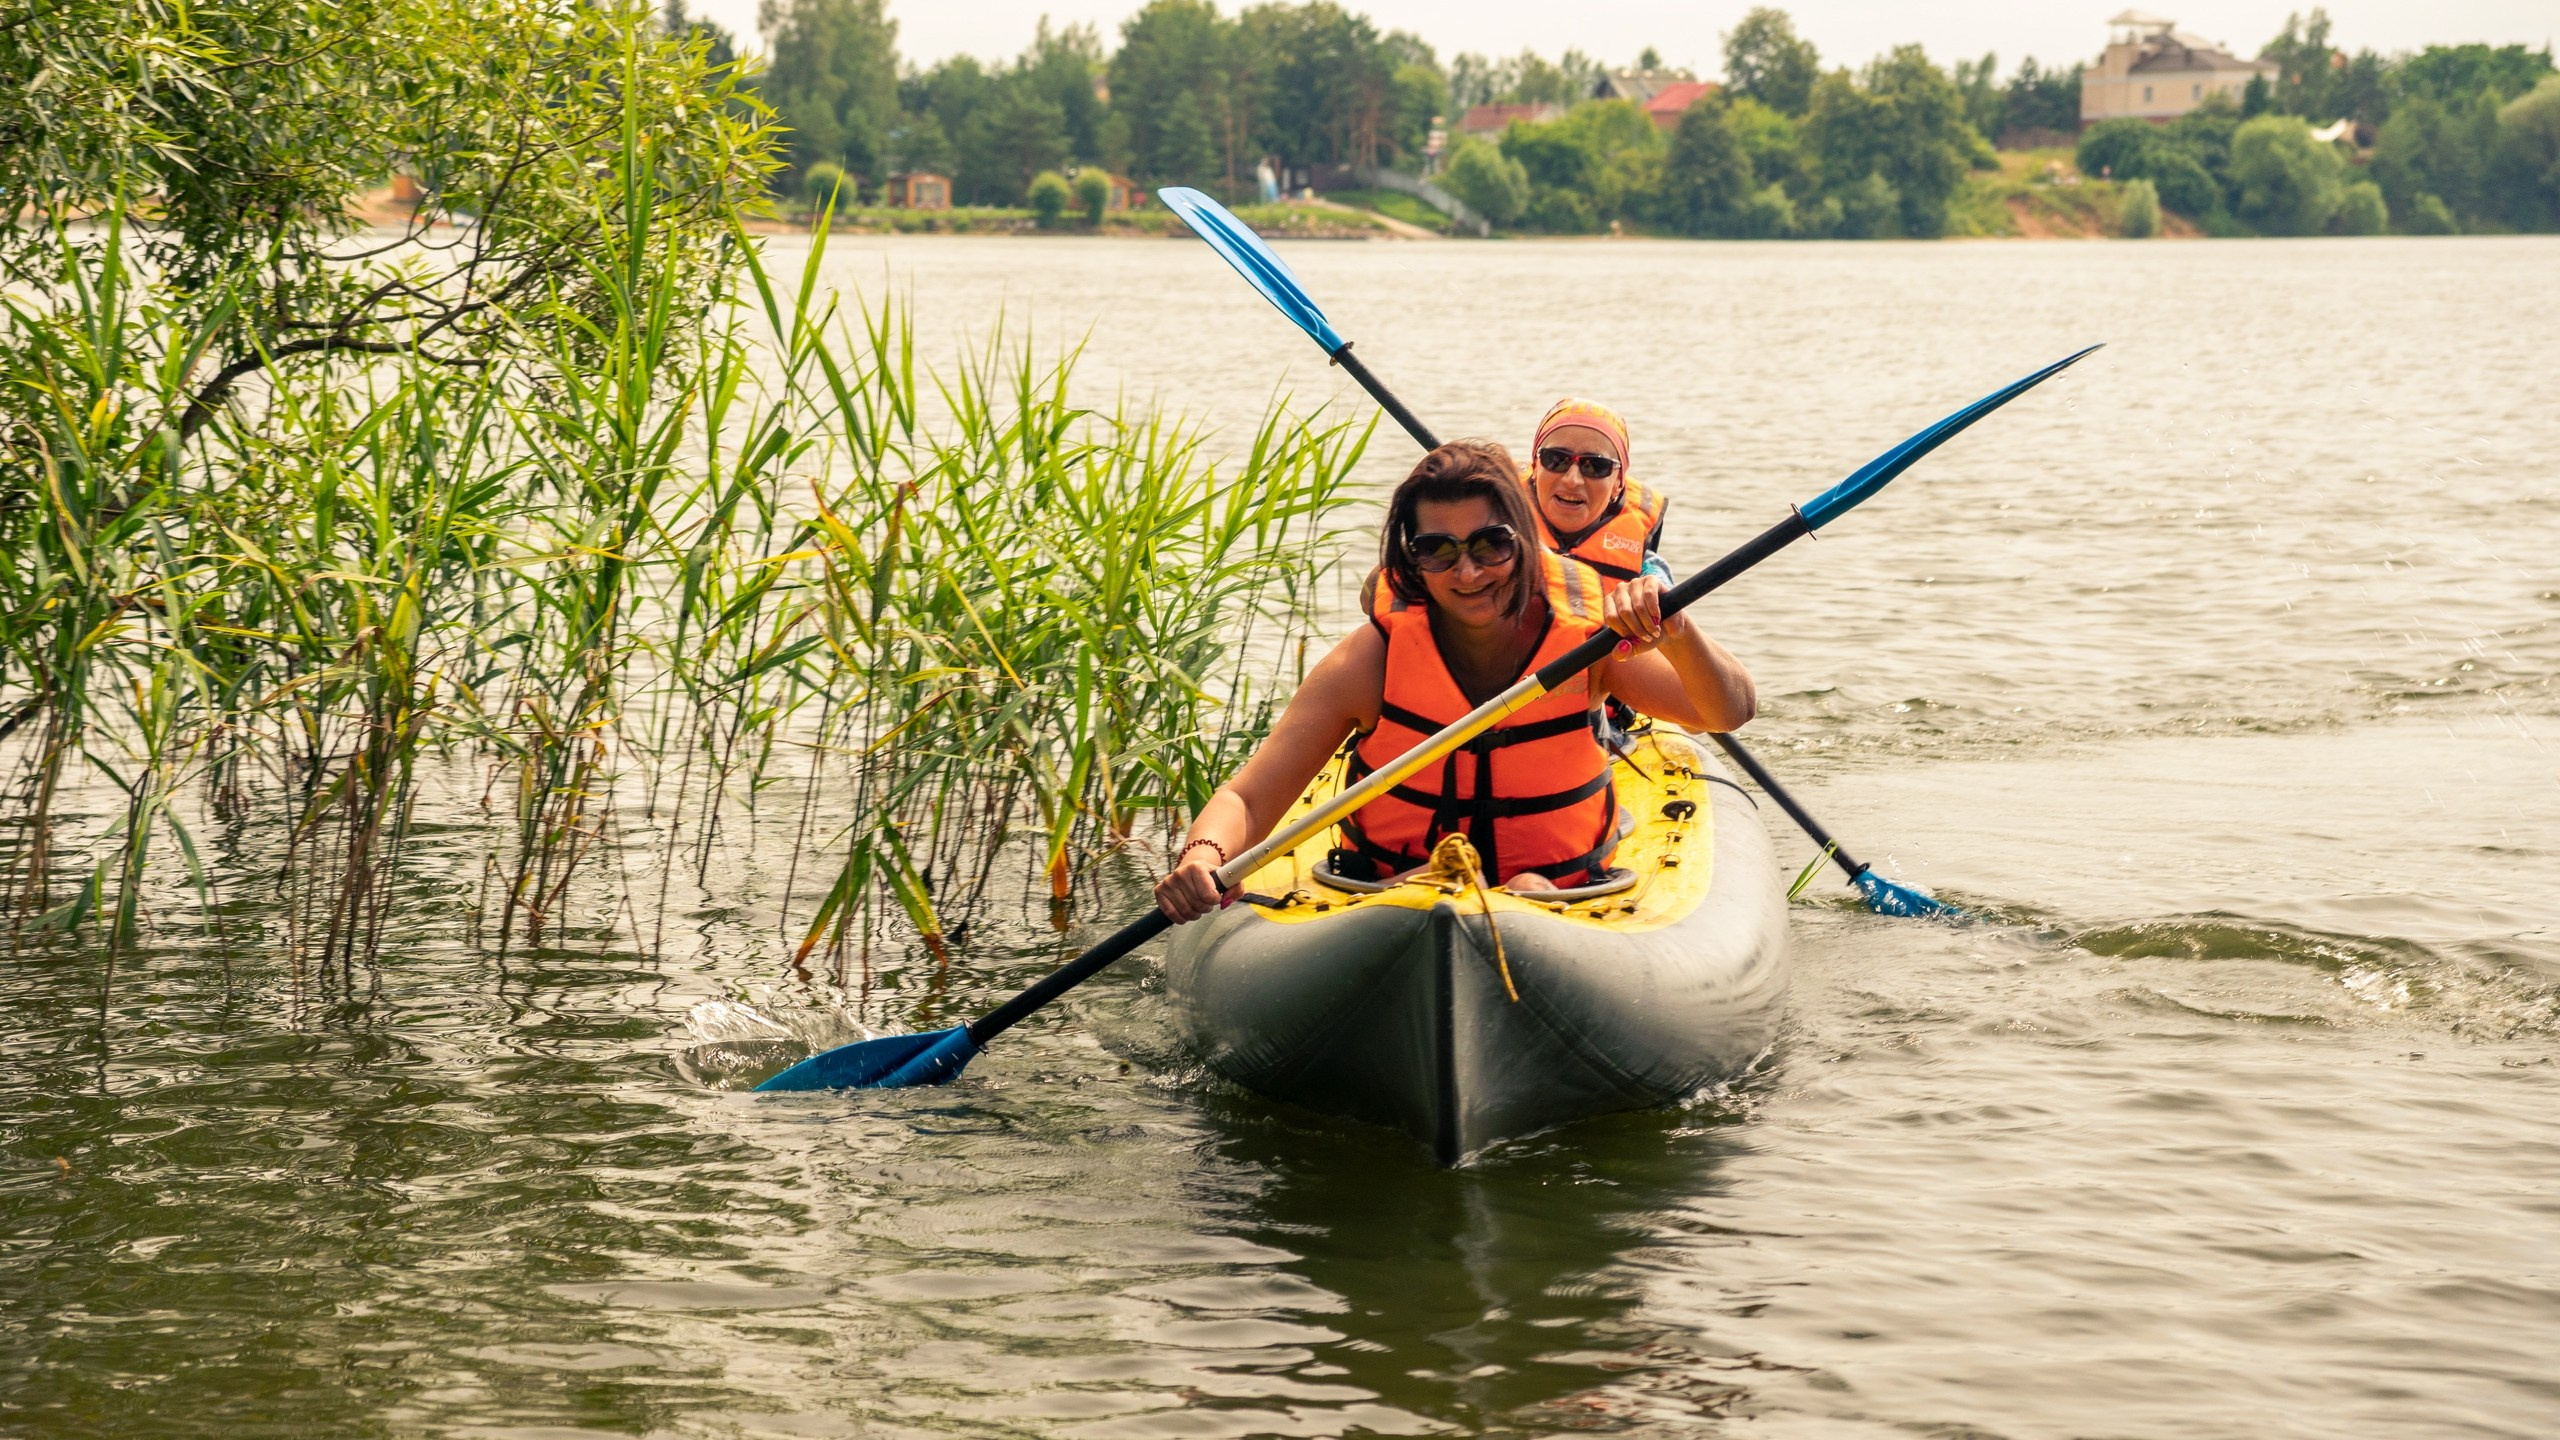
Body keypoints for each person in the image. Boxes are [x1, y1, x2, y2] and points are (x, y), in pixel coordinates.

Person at [1155, 441, 1753, 923]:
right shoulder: (1374, 659)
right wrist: (1202, 857)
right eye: (1436, 550)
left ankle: (1518, 893)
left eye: (1491, 545)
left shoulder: (1586, 643)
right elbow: (1249, 798)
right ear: (1409, 560)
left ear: (1524, 540)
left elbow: (1730, 709)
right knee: (1435, 890)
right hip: (1389, 893)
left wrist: (1678, 631)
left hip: (1559, 892)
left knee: (1527, 887)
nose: (1468, 572)